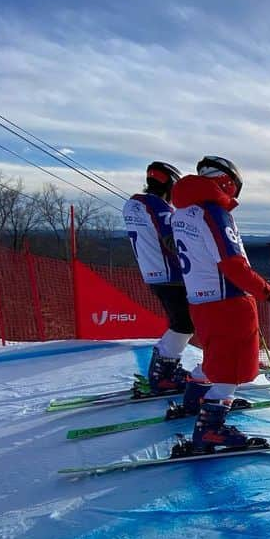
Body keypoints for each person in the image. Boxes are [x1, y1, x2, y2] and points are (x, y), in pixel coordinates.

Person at [170, 155, 270, 453]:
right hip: (227, 301)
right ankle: (211, 429)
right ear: (228, 183)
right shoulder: (214, 212)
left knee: (216, 354)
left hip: (201, 299)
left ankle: (196, 396)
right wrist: (269, 292)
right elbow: (233, 265)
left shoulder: (182, 212)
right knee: (232, 369)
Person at [121, 161, 195, 394]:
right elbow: (173, 240)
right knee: (185, 324)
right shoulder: (158, 206)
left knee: (181, 322)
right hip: (171, 274)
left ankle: (164, 368)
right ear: (170, 184)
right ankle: (163, 373)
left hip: (152, 272)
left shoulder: (133, 204)